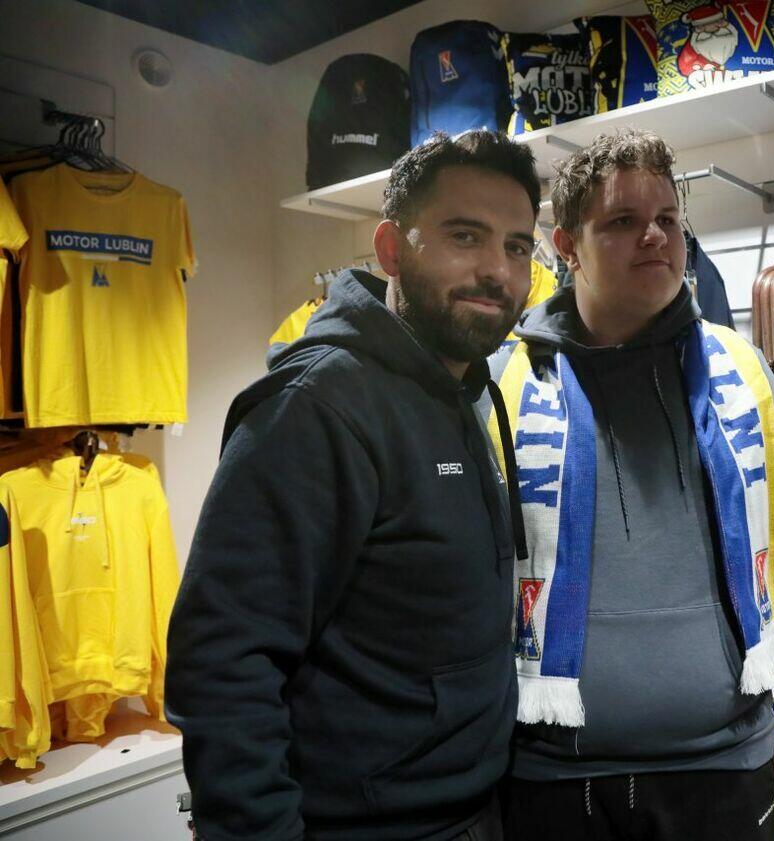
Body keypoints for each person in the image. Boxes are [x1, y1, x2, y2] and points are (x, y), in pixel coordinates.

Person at [166, 129, 540, 841]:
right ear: (392, 249)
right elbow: (223, 662)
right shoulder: (316, 407)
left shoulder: (462, 391)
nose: (498, 269)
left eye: (518, 246)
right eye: (466, 236)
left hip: (471, 813)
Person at [487, 129, 774, 840]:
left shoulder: (740, 373)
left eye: (668, 219)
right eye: (623, 220)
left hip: (723, 773)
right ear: (567, 246)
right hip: (552, 781)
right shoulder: (505, 385)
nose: (654, 236)